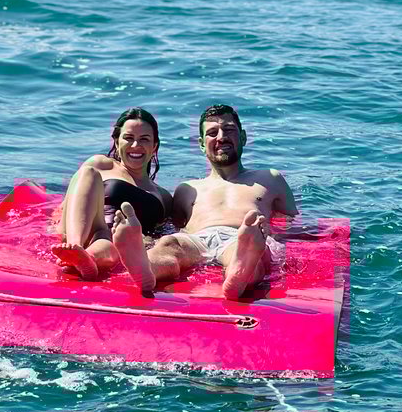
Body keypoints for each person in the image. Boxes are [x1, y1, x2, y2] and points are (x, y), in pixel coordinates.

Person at [113, 103, 301, 298]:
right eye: (212, 133)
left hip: (242, 237)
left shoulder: (269, 178)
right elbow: (172, 227)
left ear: (243, 137)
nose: (221, 137)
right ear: (202, 144)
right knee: (169, 244)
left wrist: (274, 239)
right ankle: (146, 268)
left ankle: (240, 272)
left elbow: (292, 224)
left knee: (250, 252)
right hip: (198, 239)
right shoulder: (187, 188)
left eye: (229, 129)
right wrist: (146, 239)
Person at [52, 107, 174, 279]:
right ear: (117, 142)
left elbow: (164, 232)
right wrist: (57, 230)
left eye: (144, 139)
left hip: (115, 243)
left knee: (113, 241)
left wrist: (147, 242)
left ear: (154, 146)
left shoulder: (163, 196)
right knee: (87, 172)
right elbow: (66, 205)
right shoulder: (102, 165)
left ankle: (87, 259)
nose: (135, 145)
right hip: (87, 227)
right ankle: (74, 247)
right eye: (128, 138)